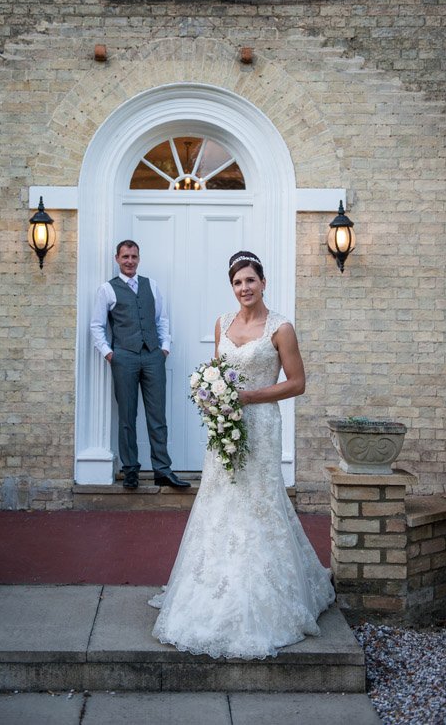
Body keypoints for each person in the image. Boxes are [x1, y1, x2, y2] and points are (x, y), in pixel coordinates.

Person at [149, 250, 335, 659]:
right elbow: (216, 372)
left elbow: (298, 383)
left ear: (263, 282)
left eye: (250, 280)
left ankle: (270, 590)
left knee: (259, 500)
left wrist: (248, 396)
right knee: (220, 499)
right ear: (231, 287)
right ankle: (211, 583)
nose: (244, 288)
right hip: (225, 429)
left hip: (261, 426)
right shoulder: (222, 322)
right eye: (237, 282)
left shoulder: (281, 328)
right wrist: (210, 396)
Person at [90, 240, 190, 490]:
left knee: (158, 415)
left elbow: (162, 319)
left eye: (134, 256)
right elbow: (96, 326)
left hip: (153, 356)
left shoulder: (151, 286)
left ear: (139, 258)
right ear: (117, 259)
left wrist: (164, 347)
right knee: (127, 416)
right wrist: (109, 353)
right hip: (124, 356)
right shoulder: (107, 290)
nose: (130, 261)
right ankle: (131, 469)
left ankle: (162, 470)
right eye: (125, 256)